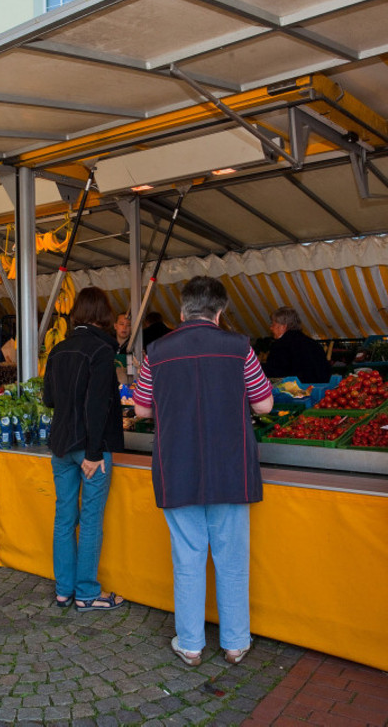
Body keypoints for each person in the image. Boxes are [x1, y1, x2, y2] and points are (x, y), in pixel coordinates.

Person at [133, 276, 273, 666]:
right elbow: (263, 405)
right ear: (220, 311)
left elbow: (142, 409)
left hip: (177, 466)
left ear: (183, 310)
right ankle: (235, 643)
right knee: (232, 559)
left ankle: (191, 645)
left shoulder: (156, 351)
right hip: (230, 468)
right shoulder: (239, 347)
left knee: (187, 558)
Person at [43, 286, 125, 611]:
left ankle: (64, 591)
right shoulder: (103, 351)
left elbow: (49, 399)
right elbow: (97, 405)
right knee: (90, 519)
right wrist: (93, 452)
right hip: (91, 446)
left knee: (64, 518)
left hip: (61, 445)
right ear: (104, 315)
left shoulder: (58, 350)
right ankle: (88, 593)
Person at [264, 306, 330, 383]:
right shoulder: (313, 344)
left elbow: (273, 373)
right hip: (319, 390)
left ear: (283, 327)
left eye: (273, 324)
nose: (271, 328)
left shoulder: (280, 345)